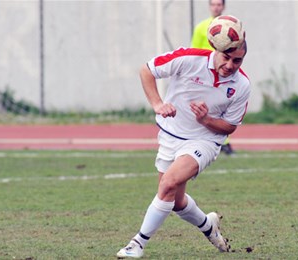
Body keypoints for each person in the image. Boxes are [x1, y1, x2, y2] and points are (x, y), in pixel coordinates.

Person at [116, 17, 250, 259]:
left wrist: (206, 120)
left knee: (167, 184)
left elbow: (229, 126)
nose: (231, 65)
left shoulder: (241, 86)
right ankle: (208, 225)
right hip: (170, 134)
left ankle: (137, 244)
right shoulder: (189, 58)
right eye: (226, 57)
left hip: (204, 141)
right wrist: (157, 103)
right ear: (216, 49)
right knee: (176, 201)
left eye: (237, 60)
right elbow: (147, 70)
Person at [191, 0, 235, 155]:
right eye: (213, 4)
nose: (216, 7)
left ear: (223, 6)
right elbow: (194, 51)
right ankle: (200, 139)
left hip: (224, 74)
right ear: (209, 6)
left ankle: (225, 142)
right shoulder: (201, 27)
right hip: (206, 74)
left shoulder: (231, 26)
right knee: (204, 107)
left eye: (218, 4)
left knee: (224, 106)